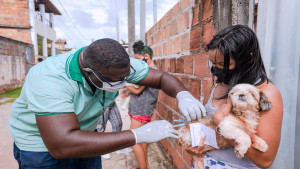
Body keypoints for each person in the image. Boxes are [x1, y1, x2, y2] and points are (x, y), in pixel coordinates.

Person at [9, 38, 206, 169]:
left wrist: (183, 95)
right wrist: (137, 135)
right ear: (88, 72)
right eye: (115, 81)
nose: (123, 83)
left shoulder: (117, 65)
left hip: (85, 134)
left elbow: (161, 77)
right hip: (42, 147)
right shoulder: (50, 78)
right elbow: (61, 145)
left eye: (126, 77)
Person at [185, 25, 283, 169]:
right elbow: (204, 131)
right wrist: (192, 149)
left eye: (224, 64)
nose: (217, 69)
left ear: (249, 58)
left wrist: (227, 129)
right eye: (213, 63)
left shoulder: (266, 94)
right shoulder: (214, 84)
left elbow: (265, 161)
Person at [125, 41, 158, 169]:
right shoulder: (149, 70)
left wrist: (125, 85)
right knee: (142, 139)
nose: (137, 62)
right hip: (141, 108)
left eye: (138, 59)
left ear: (146, 56)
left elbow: (138, 90)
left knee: (134, 140)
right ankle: (143, 166)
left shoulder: (149, 72)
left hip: (141, 109)